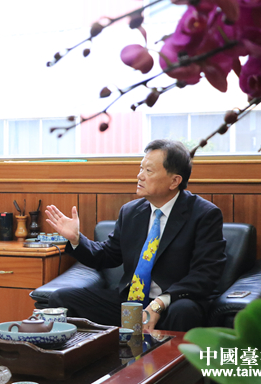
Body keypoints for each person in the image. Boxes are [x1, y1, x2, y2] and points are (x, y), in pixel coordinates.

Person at [45, 139, 226, 332]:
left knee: (184, 310)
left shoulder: (204, 214)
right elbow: (107, 255)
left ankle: (165, 352)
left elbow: (205, 274)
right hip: (132, 302)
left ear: (175, 181)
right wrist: (76, 239)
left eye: (149, 171)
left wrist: (159, 303)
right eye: (141, 168)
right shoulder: (131, 212)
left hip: (173, 302)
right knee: (61, 299)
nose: (140, 176)